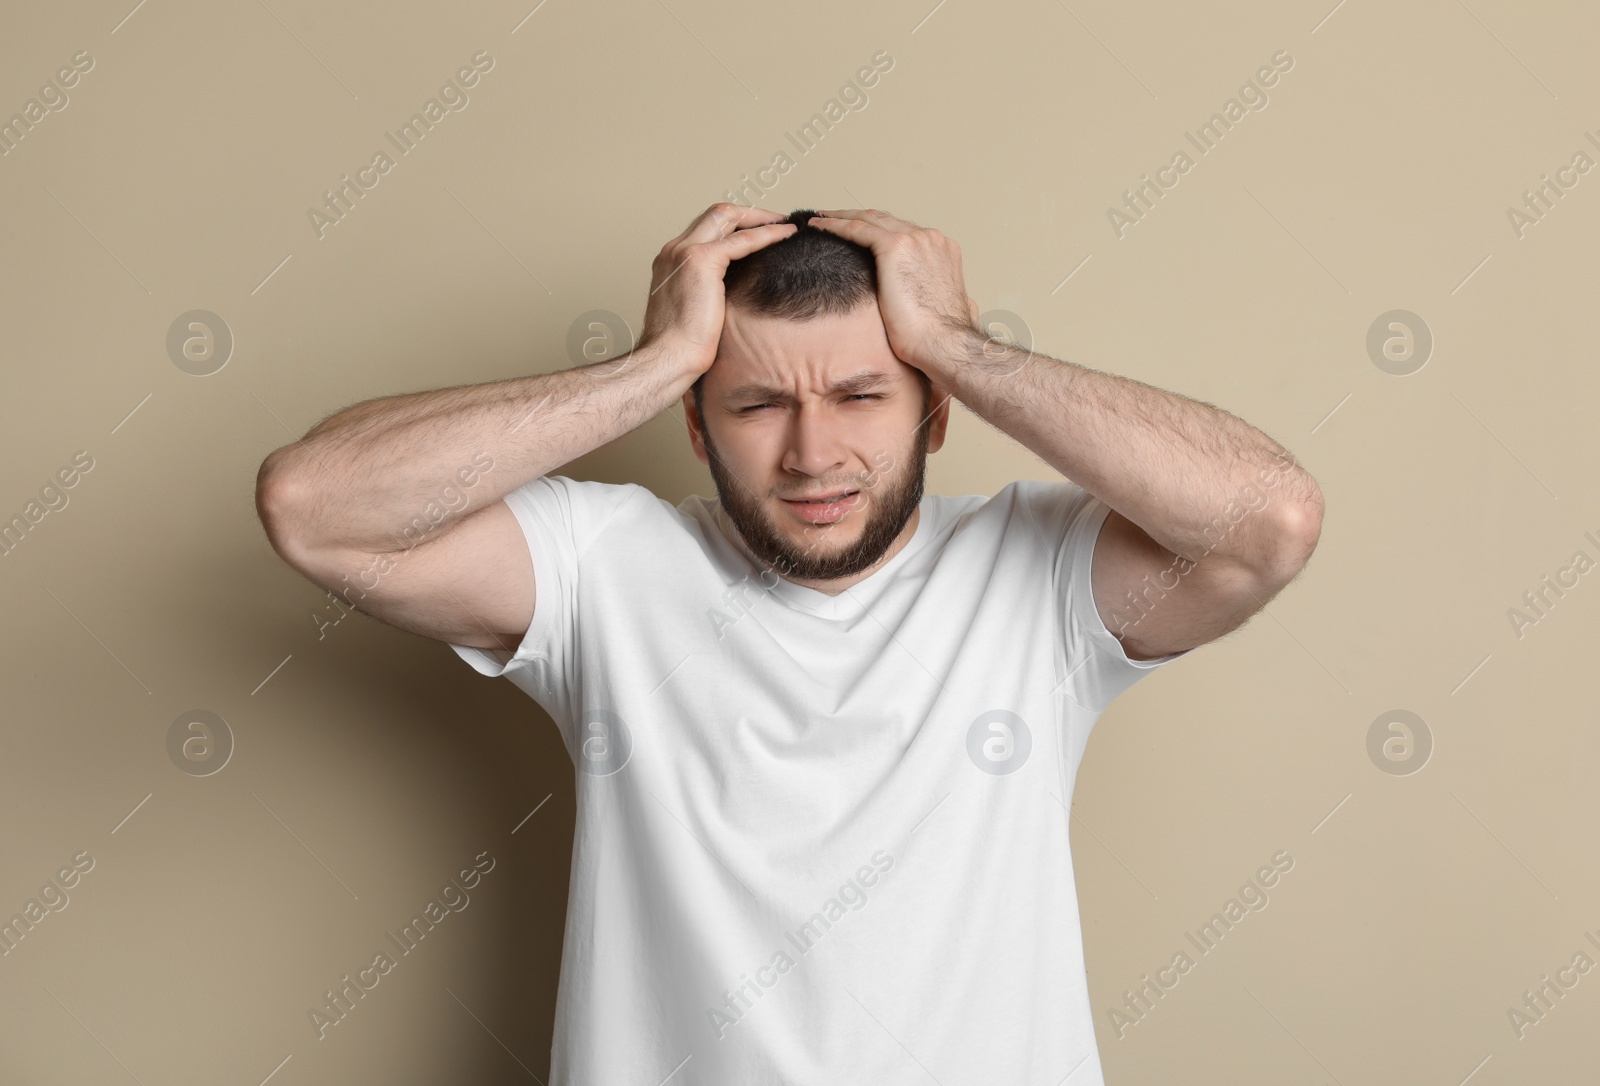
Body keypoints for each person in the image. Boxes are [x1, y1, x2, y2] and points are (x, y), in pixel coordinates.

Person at [255, 203, 1324, 1084]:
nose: (813, 453)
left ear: (935, 414)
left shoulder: (1037, 573)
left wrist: (956, 343)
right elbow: (314, 506)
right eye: (757, 403)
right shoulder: (602, 567)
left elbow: (1266, 523)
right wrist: (656, 360)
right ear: (694, 424)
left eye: (862, 395)